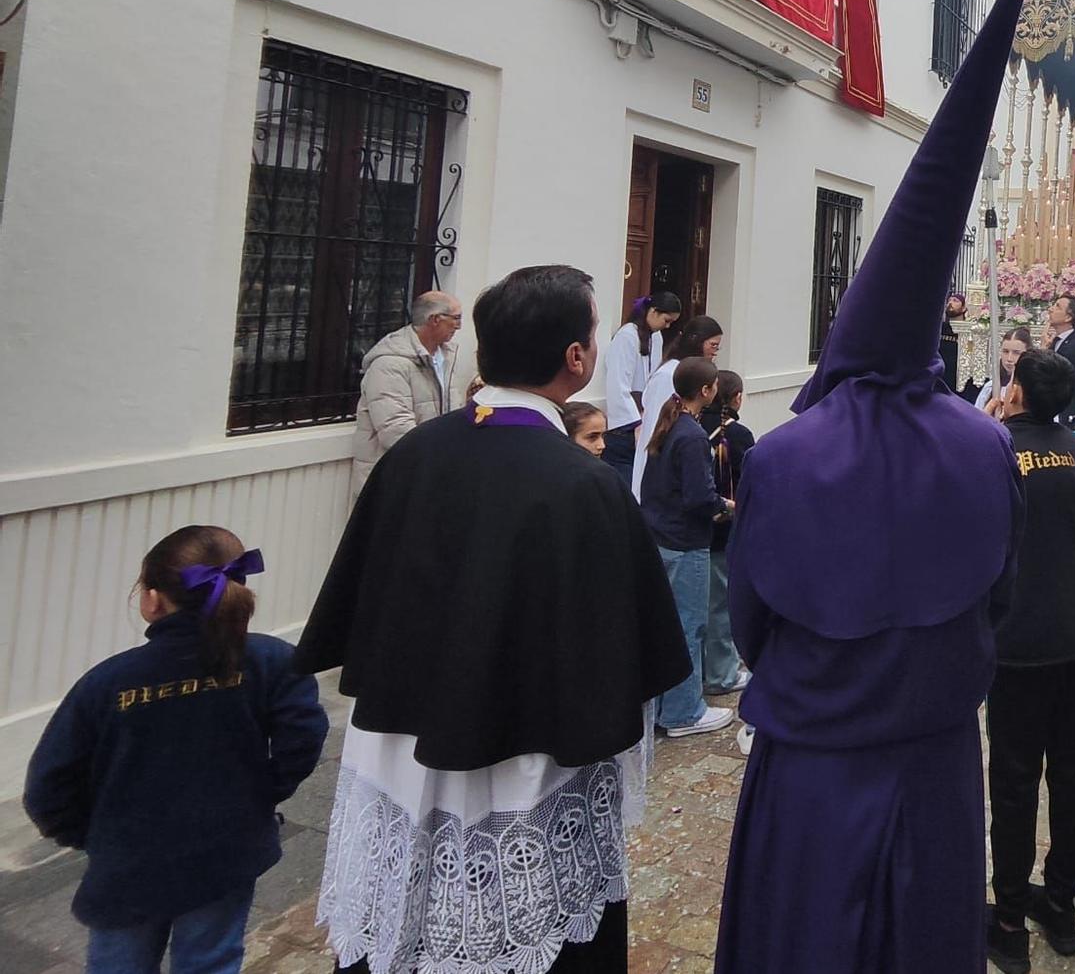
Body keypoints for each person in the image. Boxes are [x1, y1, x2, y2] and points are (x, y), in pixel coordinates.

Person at [712, 0, 1043, 974]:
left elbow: (751, 624)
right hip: (939, 763)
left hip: (810, 772)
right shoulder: (984, 446)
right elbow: (997, 598)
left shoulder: (783, 452)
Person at [295, 263, 688, 974]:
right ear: (576, 358)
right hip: (523, 770)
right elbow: (627, 653)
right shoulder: (583, 485)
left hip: (400, 757)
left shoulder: (415, 454)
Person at [25, 525, 328, 974]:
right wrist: (259, 795)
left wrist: (93, 835)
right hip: (227, 853)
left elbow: (50, 785)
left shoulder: (107, 683)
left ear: (151, 599)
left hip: (128, 867)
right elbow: (303, 739)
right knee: (211, 959)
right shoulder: (274, 661)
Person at [985, 349, 1075, 973]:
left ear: (1021, 392)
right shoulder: (1071, 443)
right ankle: (1060, 900)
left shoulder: (1000, 446)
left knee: (1013, 777)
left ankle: (1008, 915)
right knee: (1071, 768)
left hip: (1024, 636)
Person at [641, 356, 736, 739]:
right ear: (707, 391)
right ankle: (684, 712)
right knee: (688, 625)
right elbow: (699, 495)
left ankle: (668, 705)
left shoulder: (671, 426)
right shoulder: (693, 435)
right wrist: (725, 507)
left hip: (662, 536)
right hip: (686, 540)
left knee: (671, 623)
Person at [352, 290, 460, 483]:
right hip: (395, 476)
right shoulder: (389, 364)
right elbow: (395, 430)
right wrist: (444, 454)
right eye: (456, 318)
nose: (458, 326)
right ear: (435, 319)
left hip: (431, 472)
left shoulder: (447, 357)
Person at [701, 370, 755, 700]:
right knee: (721, 601)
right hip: (724, 523)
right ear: (736, 398)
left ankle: (709, 667)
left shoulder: (687, 425)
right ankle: (721, 672)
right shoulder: (738, 435)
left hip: (694, 528)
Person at [632, 314, 725, 497]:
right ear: (696, 341)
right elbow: (653, 431)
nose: (715, 352)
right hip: (656, 481)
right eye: (712, 345)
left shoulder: (685, 372)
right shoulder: (668, 375)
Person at [602, 291, 680, 480]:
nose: (667, 326)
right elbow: (617, 385)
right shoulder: (627, 336)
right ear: (653, 311)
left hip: (644, 416)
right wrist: (635, 423)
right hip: (626, 426)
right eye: (666, 320)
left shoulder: (657, 337)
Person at [1046, 294, 1075, 423]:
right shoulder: (1056, 341)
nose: (1051, 309)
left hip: (1065, 414)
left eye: (1057, 306)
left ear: (1068, 317)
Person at [978, 326, 1035, 416]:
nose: (1009, 358)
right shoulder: (990, 387)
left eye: (1016, 353)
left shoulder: (1036, 388)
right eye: (1005, 351)